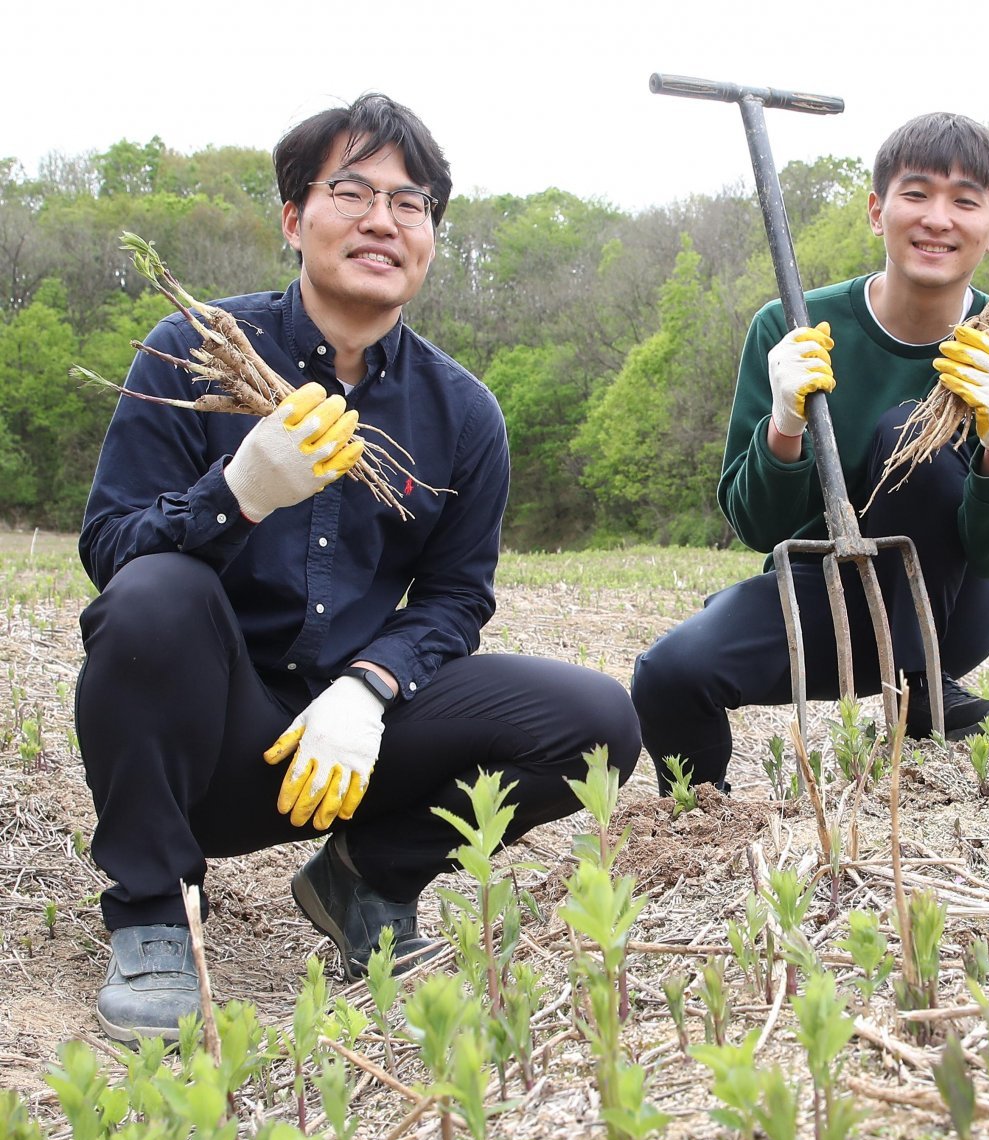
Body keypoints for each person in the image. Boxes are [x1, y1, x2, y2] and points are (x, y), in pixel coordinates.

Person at [76, 92, 641, 1043]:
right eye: (354, 192)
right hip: (207, 739)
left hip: (353, 750)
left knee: (595, 722)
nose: (384, 220)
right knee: (158, 592)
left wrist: (369, 688)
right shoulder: (196, 353)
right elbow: (109, 549)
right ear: (295, 219)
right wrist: (239, 492)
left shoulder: (462, 415)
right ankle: (154, 913)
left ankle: (367, 879)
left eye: (411, 204)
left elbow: (459, 600)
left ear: (430, 239)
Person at [632, 112, 989, 794]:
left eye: (965, 201)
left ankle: (922, 692)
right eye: (917, 193)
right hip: (828, 589)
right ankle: (695, 824)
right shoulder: (792, 326)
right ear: (877, 210)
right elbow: (758, 527)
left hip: (950, 609)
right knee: (669, 672)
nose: (937, 219)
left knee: (910, 433)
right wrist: (783, 425)